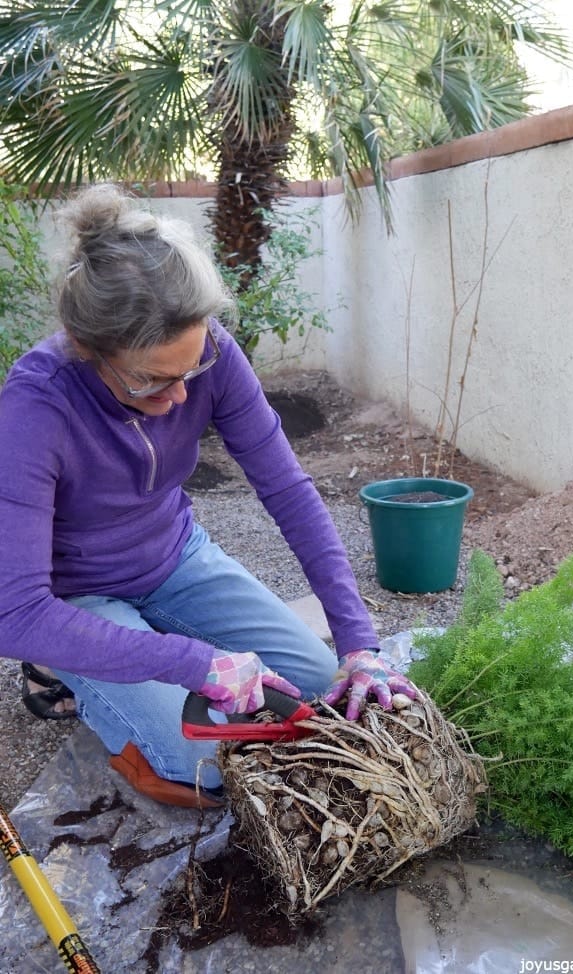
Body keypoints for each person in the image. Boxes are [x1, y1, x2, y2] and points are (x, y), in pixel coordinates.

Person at [0, 184, 417, 809]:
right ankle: (61, 666)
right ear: (88, 350)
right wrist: (196, 663)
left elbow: (289, 492)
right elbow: (15, 613)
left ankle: (130, 651)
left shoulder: (212, 351)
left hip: (177, 558)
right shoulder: (35, 407)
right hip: (76, 594)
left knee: (318, 691)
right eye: (151, 382)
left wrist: (360, 643)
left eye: (190, 372)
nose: (181, 400)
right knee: (206, 762)